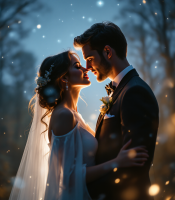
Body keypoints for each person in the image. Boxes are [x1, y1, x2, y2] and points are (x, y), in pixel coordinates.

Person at [9, 50, 149, 200]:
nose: (85, 68)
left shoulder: (73, 114)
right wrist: (117, 162)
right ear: (63, 78)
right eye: (77, 66)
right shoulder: (64, 115)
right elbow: (68, 178)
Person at [73, 22, 159, 200]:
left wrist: (86, 190)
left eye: (89, 59)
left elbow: (135, 165)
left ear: (108, 52)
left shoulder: (135, 92)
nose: (87, 67)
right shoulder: (121, 90)